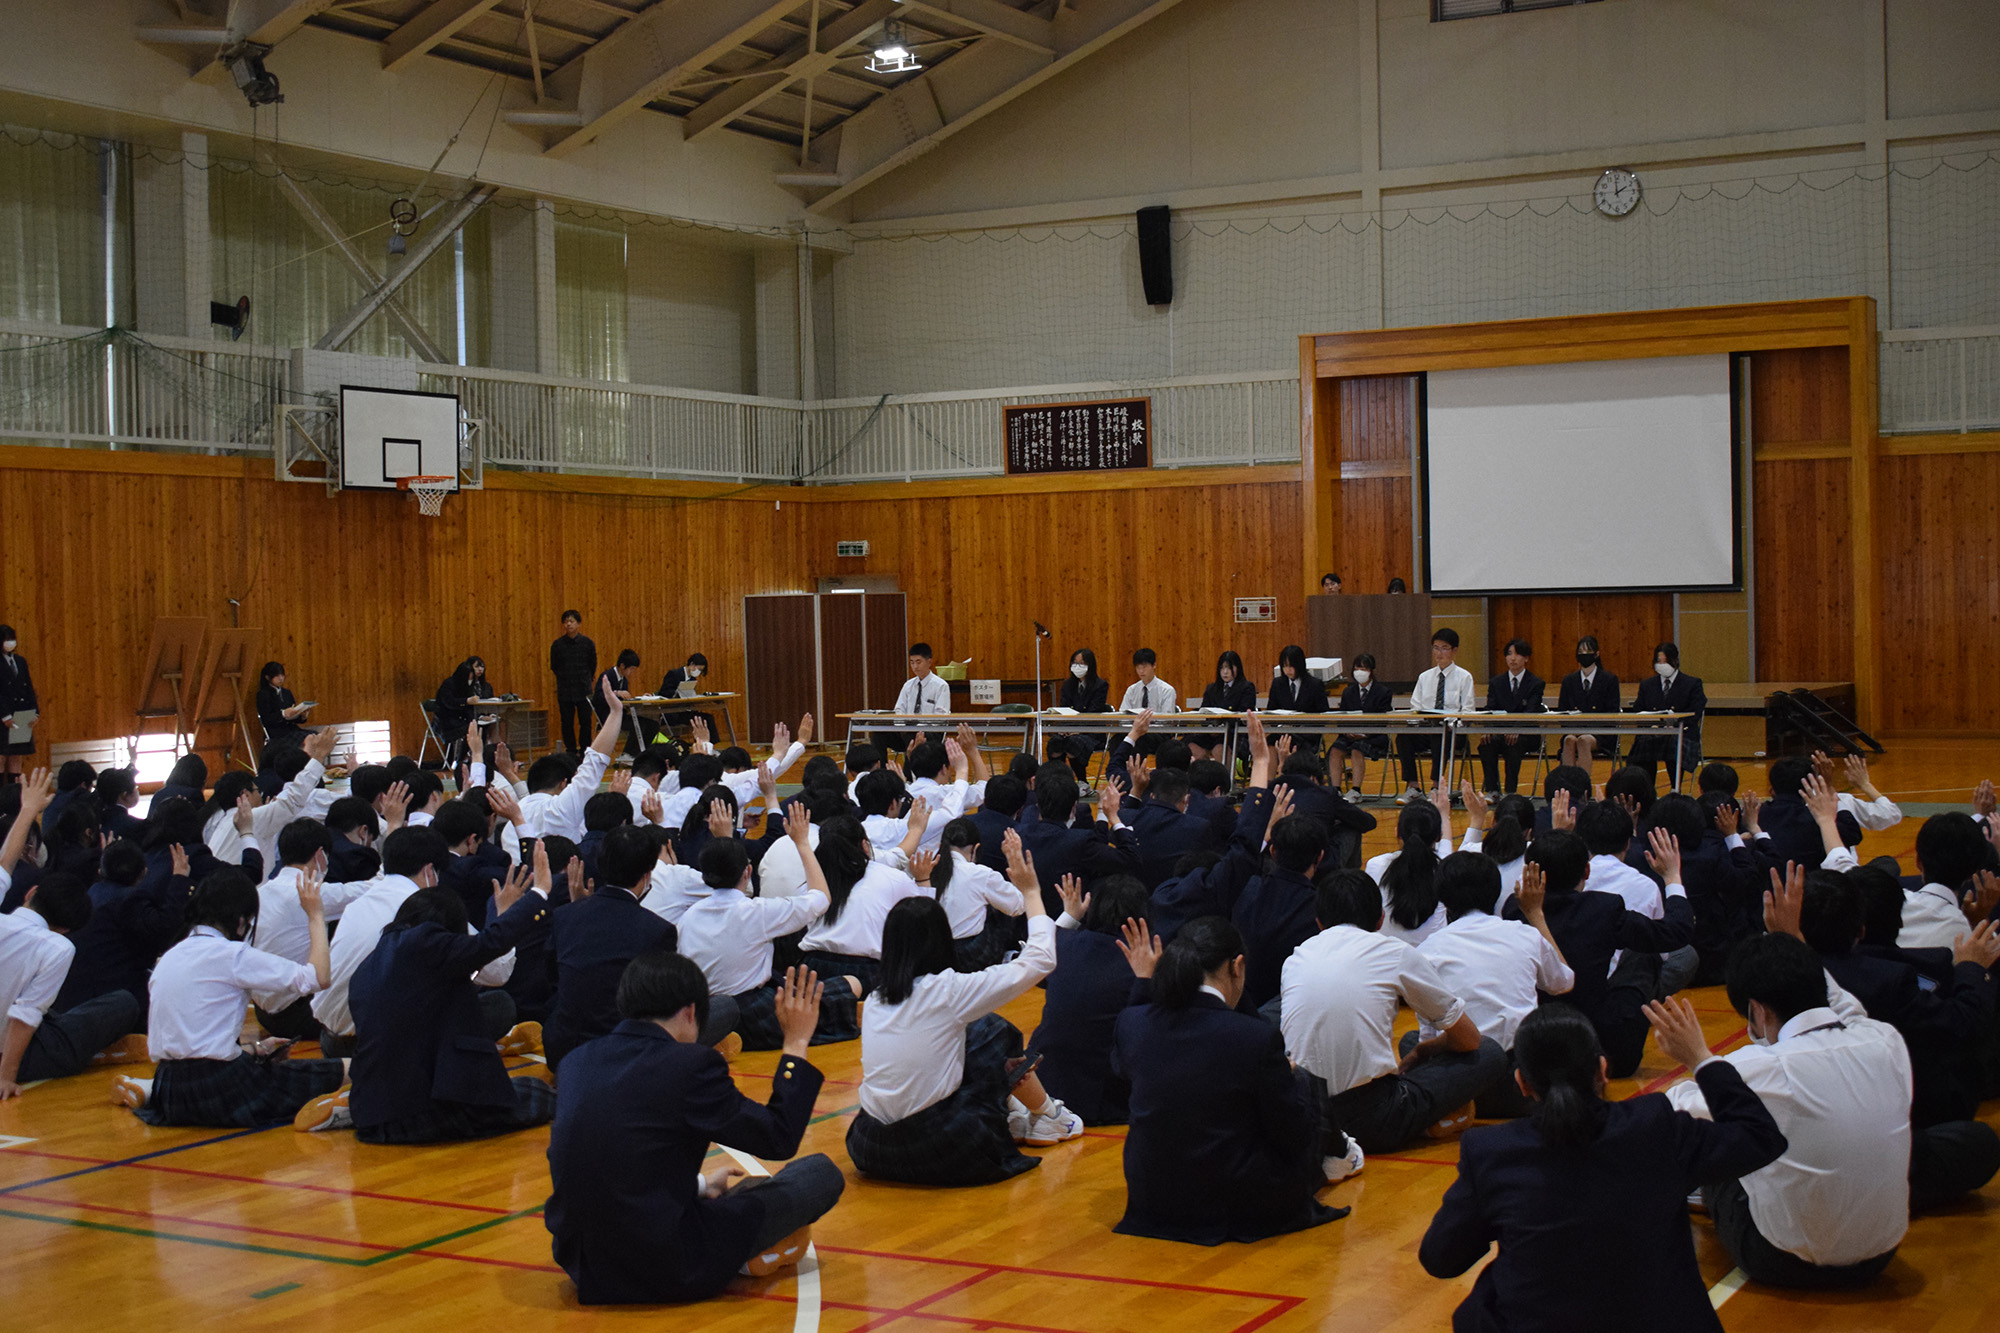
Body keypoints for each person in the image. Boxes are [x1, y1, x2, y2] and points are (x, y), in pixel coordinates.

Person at [1418, 1000, 1787, 1332]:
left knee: (1481, 1304)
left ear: (1522, 1084)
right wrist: (1702, 1059)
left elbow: (1441, 1259)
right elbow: (1761, 1138)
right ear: (1603, 1069)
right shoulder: (1654, 1124)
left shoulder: (1491, 1151)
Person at [545, 956, 844, 1303]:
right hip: (667, 1263)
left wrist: (699, 1185)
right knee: (819, 1174)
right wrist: (795, 1042)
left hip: (584, 1263)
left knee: (733, 1194)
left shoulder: (576, 1061)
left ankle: (716, 1216)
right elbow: (778, 1137)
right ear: (691, 1011)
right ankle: (741, 1259)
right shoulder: (690, 1064)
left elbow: (609, 1164)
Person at [846, 832, 1080, 1184]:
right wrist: (1031, 893)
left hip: (869, 1145)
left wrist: (924, 884)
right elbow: (1040, 961)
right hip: (938, 1144)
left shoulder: (878, 997)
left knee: (974, 1035)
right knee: (993, 1030)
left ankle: (1020, 1110)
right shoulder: (948, 991)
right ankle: (1045, 1114)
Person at [1112, 915, 1349, 1244]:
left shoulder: (1132, 1022)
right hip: (1234, 1205)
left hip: (1152, 1198)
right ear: (1236, 966)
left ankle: (1343, 1154)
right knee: (1304, 1080)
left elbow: (1124, 1064)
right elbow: (1292, 1135)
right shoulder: (1255, 1037)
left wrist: (1143, 982)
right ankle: (1342, 1154)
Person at [325, 850, 557, 1142]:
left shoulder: (370, 964)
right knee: (540, 1096)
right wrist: (539, 893)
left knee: (520, 1087)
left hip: (371, 1111)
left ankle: (345, 1107)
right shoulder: (425, 942)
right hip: (423, 1109)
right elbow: (489, 945)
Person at [1281, 868, 1509, 1152]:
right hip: (1373, 1117)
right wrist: (1423, 1052)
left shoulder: (1296, 958)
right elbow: (1469, 1039)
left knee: (1411, 1043)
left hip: (1307, 1116)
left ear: (1319, 923)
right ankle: (1421, 1122)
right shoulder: (1393, 952)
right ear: (1380, 920)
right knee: (1488, 1053)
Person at [112, 867, 349, 1126]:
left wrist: (253, 1050)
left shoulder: (170, 957)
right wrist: (315, 915)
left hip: (169, 1089)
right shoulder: (232, 955)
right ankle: (345, 1109)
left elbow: (193, 1042)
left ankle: (147, 1090)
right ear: (240, 921)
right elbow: (318, 977)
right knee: (339, 1070)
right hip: (220, 1088)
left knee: (275, 1072)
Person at [1508, 827, 1696, 1078]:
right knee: (1643, 954)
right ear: (1587, 870)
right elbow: (1675, 932)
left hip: (1533, 1049)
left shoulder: (1514, 909)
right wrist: (1672, 877)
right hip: (1602, 1053)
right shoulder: (1602, 908)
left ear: (1530, 872)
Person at [1, 779, 144, 1095]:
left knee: (51, 1014)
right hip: (13, 1053)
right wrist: (5, 1078)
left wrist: (28, 811)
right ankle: (100, 1049)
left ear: (31, 893)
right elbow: (22, 1018)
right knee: (122, 1002)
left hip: (20, 1032)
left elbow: (5, 863)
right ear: (67, 928)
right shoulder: (57, 947)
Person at [679, 807, 861, 1047]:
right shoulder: (756, 912)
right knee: (851, 983)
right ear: (748, 872)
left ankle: (721, 1034)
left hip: (707, 1012)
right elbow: (821, 899)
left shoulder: (688, 917)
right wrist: (802, 844)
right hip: (755, 1011)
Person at [1417, 853, 1574, 1119]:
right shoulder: (1524, 934)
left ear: (1442, 898)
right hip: (1523, 1085)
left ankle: (1455, 1110)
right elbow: (1563, 982)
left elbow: (1429, 1037)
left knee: (1412, 1042)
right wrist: (1536, 915)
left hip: (1463, 1088)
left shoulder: (1427, 950)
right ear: (1496, 890)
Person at [1029, 873, 1153, 1124]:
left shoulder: (1062, 943)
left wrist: (1071, 916)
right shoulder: (1143, 965)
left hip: (1041, 1081)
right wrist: (1146, 980)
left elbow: (1040, 959)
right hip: (1101, 1097)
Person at [930, 816, 1026, 970]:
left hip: (933, 954)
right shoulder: (980, 874)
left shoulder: (925, 869)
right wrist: (1015, 865)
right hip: (969, 956)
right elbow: (1018, 906)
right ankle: (1009, 954)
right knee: (1000, 909)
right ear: (976, 848)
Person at [1399, 628, 1475, 803]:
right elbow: (1415, 706)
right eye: (1435, 648)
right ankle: (1413, 787)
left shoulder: (1464, 677)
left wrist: (1452, 724)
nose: (1438, 653)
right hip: (1426, 728)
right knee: (1403, 737)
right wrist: (1415, 723)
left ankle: (1435, 787)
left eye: (1444, 648)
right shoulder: (1424, 677)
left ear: (1454, 650)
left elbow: (1468, 711)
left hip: (1452, 732)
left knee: (1440, 735)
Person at [1626, 641, 1706, 782]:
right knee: (1644, 742)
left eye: (1665, 661)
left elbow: (1695, 712)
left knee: (1673, 742)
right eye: (1659, 661)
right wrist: (1651, 724)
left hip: (1681, 733)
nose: (1662, 665)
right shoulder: (1647, 685)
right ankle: (1647, 787)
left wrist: (1675, 724)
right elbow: (1638, 710)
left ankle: (1676, 787)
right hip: (1654, 732)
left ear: (1675, 660)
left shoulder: (1692, 684)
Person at [1478, 638, 1545, 796]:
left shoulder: (1535, 683)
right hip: (1500, 731)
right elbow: (1490, 709)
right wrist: (1488, 728)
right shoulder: (1496, 682)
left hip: (1526, 733)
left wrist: (1517, 729)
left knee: (1513, 744)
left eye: (1517, 654)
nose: (1512, 658)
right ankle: (1492, 790)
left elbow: (1531, 711)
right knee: (1486, 744)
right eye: (1509, 654)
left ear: (1526, 658)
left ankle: (1510, 792)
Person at [1331, 653, 1392, 796]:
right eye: (1357, 668)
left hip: (1374, 737)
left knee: (1356, 750)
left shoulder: (1383, 692)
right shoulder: (1348, 692)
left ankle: (1356, 790)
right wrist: (1347, 732)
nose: (1360, 672)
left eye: (1364, 669)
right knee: (1335, 750)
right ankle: (1336, 790)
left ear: (1372, 671)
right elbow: (1342, 716)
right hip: (1350, 735)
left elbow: (1384, 720)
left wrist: (1365, 734)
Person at [1557, 635, 1621, 770]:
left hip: (1601, 733)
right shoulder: (1569, 681)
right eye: (1581, 652)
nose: (1584, 655)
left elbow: (1612, 711)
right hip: (1574, 729)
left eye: (1588, 652)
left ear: (1597, 654)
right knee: (1569, 740)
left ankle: (1582, 785)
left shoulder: (1609, 680)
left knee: (1583, 741)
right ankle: (1569, 783)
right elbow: (1562, 710)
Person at [1050, 648, 1111, 778]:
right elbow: (1064, 708)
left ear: (1090, 665)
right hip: (1069, 729)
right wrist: (1064, 729)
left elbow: (1094, 711)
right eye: (1075, 663)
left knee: (1073, 743)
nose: (1077, 666)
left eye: (1081, 663)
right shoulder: (1067, 685)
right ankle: (1060, 779)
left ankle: (1082, 781)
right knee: (1055, 742)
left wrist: (1077, 730)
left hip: (1091, 731)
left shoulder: (1100, 685)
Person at [1191, 650, 1256, 760]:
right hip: (1212, 732)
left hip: (1233, 732)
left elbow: (1244, 713)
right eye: (1222, 668)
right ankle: (1203, 774)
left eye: (1229, 668)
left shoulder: (1246, 687)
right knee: (1191, 745)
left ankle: (1226, 776)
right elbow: (1204, 710)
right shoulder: (1212, 688)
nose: (1225, 672)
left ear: (1237, 668)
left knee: (1219, 749)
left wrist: (1221, 722)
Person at [549, 610, 597, 755]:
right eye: (566, 621)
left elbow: (592, 664)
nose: (569, 624)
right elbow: (554, 666)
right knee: (567, 722)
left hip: (583, 688)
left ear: (578, 624)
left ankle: (584, 750)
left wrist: (586, 678)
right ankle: (570, 750)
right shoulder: (557, 645)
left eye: (572, 621)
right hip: (565, 689)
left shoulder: (588, 643)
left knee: (585, 722)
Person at [435, 657, 498, 765]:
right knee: (473, 728)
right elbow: (449, 703)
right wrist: (466, 701)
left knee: (481, 726)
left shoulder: (470, 686)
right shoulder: (449, 684)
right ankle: (461, 760)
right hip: (446, 720)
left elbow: (468, 710)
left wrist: (480, 717)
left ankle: (481, 757)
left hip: (463, 719)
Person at [0, 625, 36, 783]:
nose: (10, 643)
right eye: (6, 639)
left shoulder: (20, 661)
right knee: (1, 757)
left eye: (12, 639)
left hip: (22, 714)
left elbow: (29, 687)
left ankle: (14, 798)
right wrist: (4, 715)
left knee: (16, 758)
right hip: (3, 716)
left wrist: (35, 712)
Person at [658, 651, 717, 742]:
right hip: (673, 712)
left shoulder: (692, 679)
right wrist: (677, 693)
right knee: (702, 719)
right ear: (692, 664)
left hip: (686, 710)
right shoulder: (674, 674)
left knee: (708, 718)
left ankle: (710, 745)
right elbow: (663, 692)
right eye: (699, 669)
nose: (699, 672)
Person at [255, 661, 316, 749]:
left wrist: (302, 716)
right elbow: (266, 719)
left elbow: (294, 719)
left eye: (282, 675)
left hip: (292, 729)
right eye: (277, 676)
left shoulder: (286, 693)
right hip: (277, 732)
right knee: (304, 741)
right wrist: (283, 714)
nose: (280, 678)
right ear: (267, 677)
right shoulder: (263, 695)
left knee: (315, 737)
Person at [593, 649, 642, 754]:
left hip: (621, 714)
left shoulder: (624, 680)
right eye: (631, 669)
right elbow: (598, 697)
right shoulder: (607, 676)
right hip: (608, 715)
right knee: (639, 724)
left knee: (650, 723)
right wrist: (615, 693)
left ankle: (637, 753)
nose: (632, 673)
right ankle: (628, 754)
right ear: (622, 666)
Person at [1116, 648, 1178, 721]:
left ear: (1154, 665)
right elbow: (1123, 715)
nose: (1141, 671)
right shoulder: (1132, 690)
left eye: (1144, 667)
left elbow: (1167, 719)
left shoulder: (1167, 690)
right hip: (1134, 729)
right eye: (1138, 667)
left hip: (1157, 730)